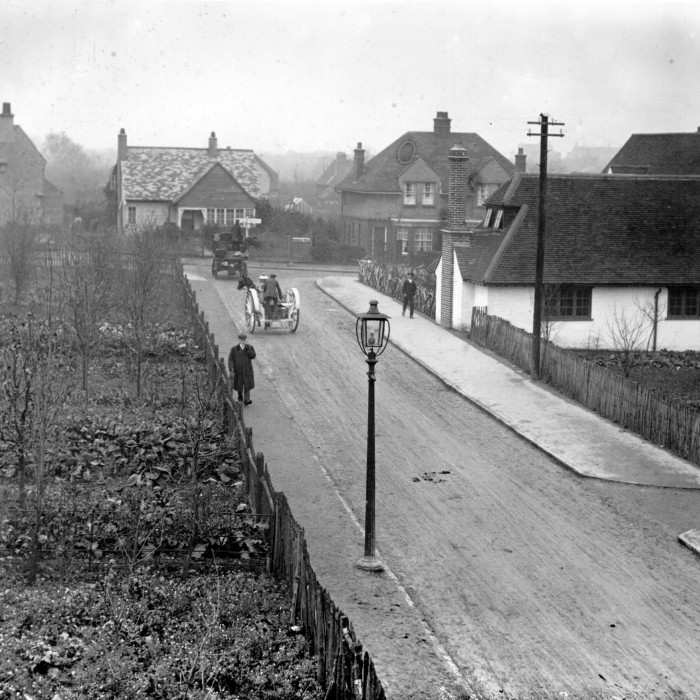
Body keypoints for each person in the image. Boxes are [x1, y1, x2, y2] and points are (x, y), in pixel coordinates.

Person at [228, 332, 256, 405]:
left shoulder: (249, 347)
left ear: (245, 340)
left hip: (247, 370)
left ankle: (247, 400)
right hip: (238, 370)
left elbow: (253, 356)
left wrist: (248, 350)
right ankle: (240, 399)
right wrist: (231, 368)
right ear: (239, 340)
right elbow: (230, 359)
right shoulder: (234, 349)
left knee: (247, 385)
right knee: (239, 385)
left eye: (244, 340)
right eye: (241, 340)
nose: (242, 341)